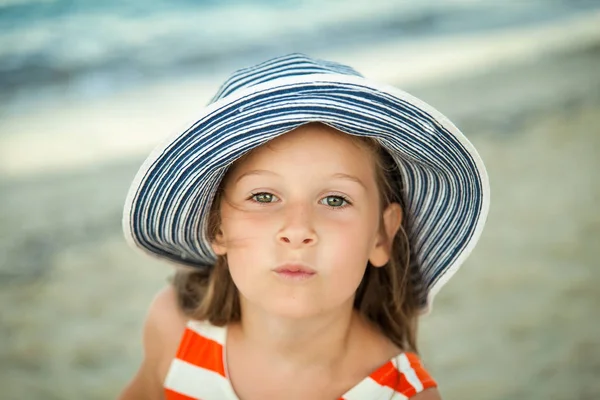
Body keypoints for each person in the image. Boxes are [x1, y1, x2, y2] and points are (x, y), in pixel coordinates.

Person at [118, 53, 490, 400]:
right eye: (263, 197)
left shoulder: (400, 394)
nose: (298, 230)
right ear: (217, 228)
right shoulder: (174, 330)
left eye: (335, 200)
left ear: (381, 234)